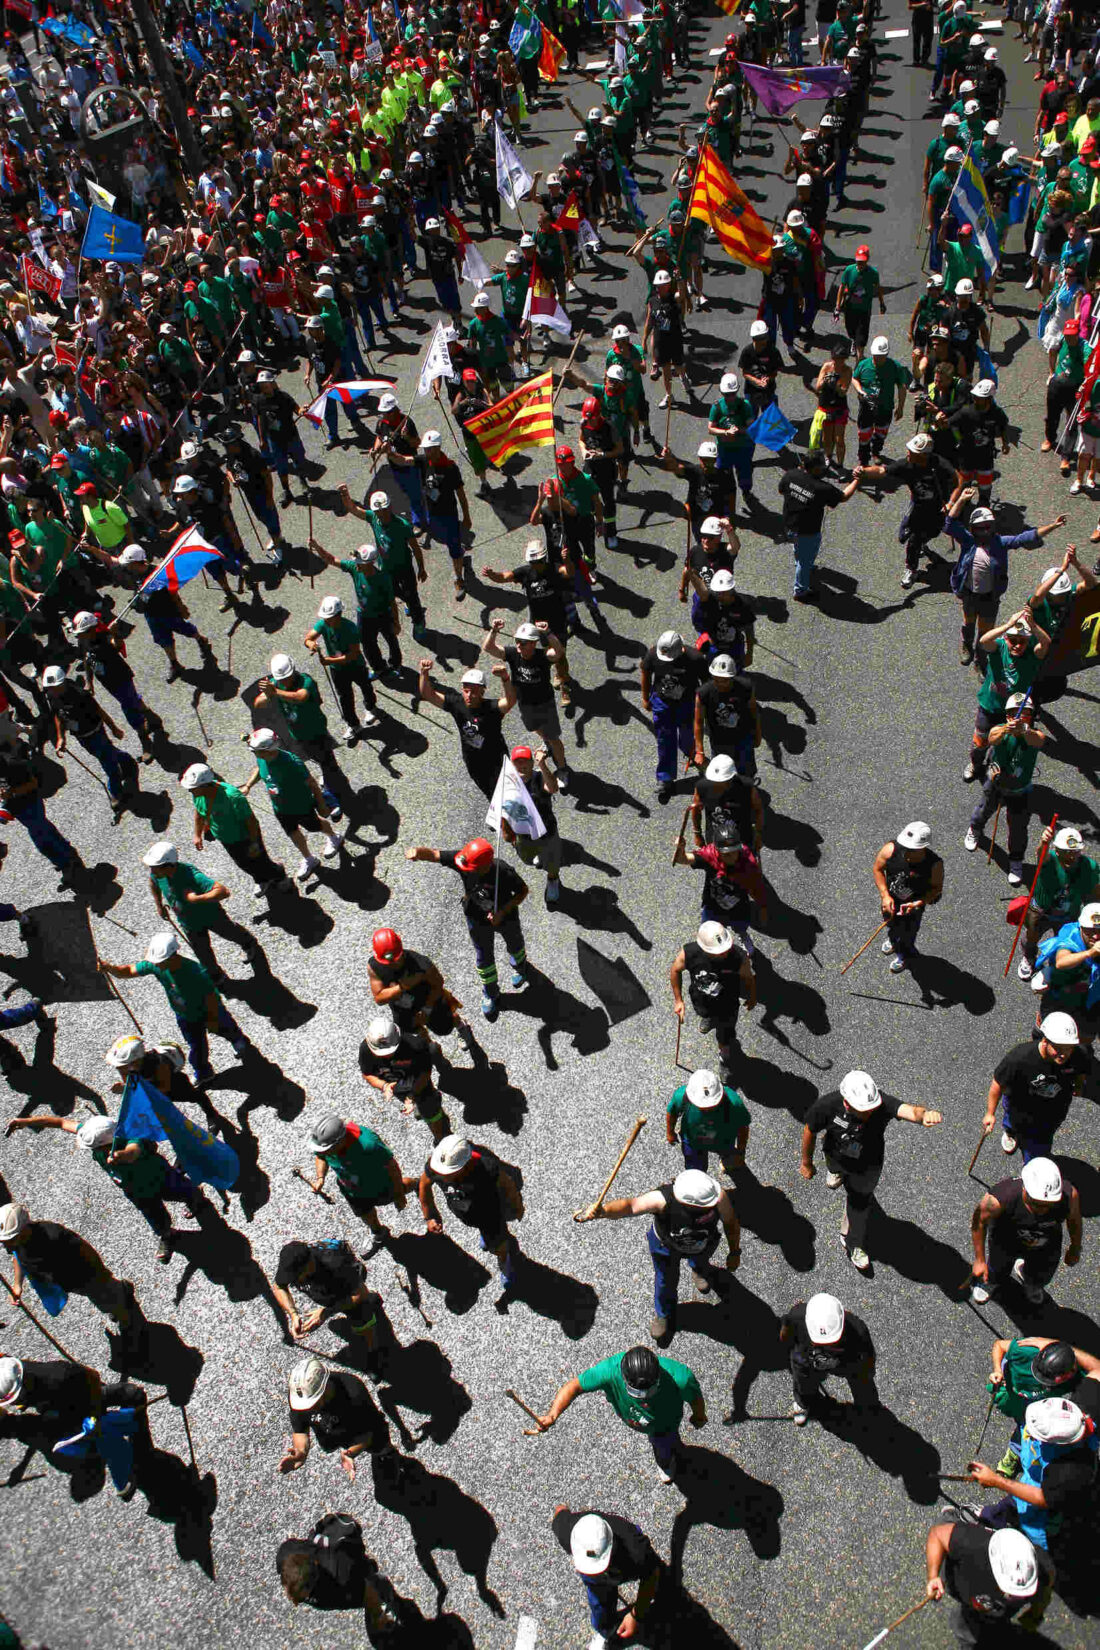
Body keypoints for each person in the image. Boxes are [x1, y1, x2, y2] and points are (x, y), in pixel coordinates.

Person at [4, 1113, 206, 1264]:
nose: (92, 1151)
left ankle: (196, 1198)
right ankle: (167, 1234)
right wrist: (25, 1122)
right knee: (155, 1217)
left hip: (161, 1178)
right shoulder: (95, 1136)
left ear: (106, 1143)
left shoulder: (132, 1138)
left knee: (183, 1192)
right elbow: (59, 1122)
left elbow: (134, 1151)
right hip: (137, 1192)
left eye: (95, 1148)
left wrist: (121, 1156)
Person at [800, 1069, 942, 1271]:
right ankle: (836, 1172)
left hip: (867, 1167)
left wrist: (924, 1115)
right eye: (862, 1109)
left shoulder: (880, 1104)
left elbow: (909, 1110)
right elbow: (810, 1129)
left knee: (859, 1204)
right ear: (847, 1103)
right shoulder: (827, 1105)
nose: (869, 1112)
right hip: (835, 1156)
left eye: (871, 1108)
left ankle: (852, 1241)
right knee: (834, 1168)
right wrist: (806, 1162)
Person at [576, 1169, 741, 1343]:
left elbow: (731, 1223)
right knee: (665, 1281)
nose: (712, 1204)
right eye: (707, 1204)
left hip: (702, 1244)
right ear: (688, 1203)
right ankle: (665, 1314)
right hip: (666, 1247)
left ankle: (698, 1269)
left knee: (701, 1260)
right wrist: (604, 1210)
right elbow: (631, 1206)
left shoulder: (717, 1197)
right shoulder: (663, 1199)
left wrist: (734, 1251)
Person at [533, 1345, 707, 1486]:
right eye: (637, 1392)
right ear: (623, 1377)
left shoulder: (681, 1378)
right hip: (639, 1421)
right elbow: (574, 1386)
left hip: (665, 1426)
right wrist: (552, 1415)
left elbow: (695, 1398)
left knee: (663, 1445)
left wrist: (699, 1415)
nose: (644, 1398)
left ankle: (665, 1461)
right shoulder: (609, 1370)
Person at [97, 932, 254, 1087]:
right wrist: (111, 969)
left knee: (226, 1028)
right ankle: (203, 1072)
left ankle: (238, 1041)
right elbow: (129, 970)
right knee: (196, 1047)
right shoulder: (156, 965)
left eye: (160, 962)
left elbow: (211, 1000)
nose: (156, 964)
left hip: (209, 1012)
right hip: (185, 1016)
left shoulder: (196, 972)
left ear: (173, 956)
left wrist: (212, 1020)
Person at [404, 836, 529, 1019]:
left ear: (486, 866)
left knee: (515, 944)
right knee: (484, 958)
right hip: (476, 917)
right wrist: (418, 853)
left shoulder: (502, 871)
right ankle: (491, 992)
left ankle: (520, 966)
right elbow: (435, 854)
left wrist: (502, 912)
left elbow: (523, 891)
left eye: (472, 869)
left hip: (505, 917)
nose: (465, 870)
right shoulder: (463, 859)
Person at [967, 1396, 1099, 1557]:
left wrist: (996, 1481)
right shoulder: (1076, 1417)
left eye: (1038, 1436)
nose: (1031, 1433)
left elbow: (1043, 1498)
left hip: (1042, 1518)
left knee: (1034, 1546)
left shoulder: (1071, 1472)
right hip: (1026, 1488)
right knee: (1009, 1506)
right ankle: (990, 1518)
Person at [417, 1133, 524, 1305]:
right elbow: (424, 1184)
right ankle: (488, 1239)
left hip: (490, 1215)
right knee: (487, 1238)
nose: (441, 1177)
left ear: (465, 1166)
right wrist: (430, 1215)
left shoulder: (487, 1168)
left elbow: (508, 1185)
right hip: (467, 1214)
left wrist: (517, 1206)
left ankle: (505, 1261)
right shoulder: (437, 1165)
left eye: (448, 1173)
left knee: (499, 1244)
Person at [0, 1202, 136, 1330]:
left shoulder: (54, 1235)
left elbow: (85, 1251)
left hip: (86, 1276)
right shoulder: (17, 1243)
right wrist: (17, 1285)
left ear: (25, 1229)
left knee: (104, 1297)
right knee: (100, 1297)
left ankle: (127, 1318)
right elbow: (17, 1258)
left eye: (10, 1240)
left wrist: (101, 1274)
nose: (6, 1245)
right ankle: (118, 1295)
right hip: (69, 1282)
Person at [142, 841, 261, 986]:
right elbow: (153, 883)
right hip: (188, 923)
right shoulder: (158, 875)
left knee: (229, 932)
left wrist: (197, 898)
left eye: (155, 868)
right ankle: (216, 976)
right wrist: (159, 905)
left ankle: (248, 943)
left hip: (211, 916)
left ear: (169, 865)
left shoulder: (190, 874)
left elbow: (223, 891)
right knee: (202, 952)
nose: (152, 871)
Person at [969, 1157, 1083, 1307]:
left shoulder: (1070, 1196)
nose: (1041, 1209)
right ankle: (991, 1280)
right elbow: (979, 1221)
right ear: (1024, 1188)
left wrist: (1075, 1247)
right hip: (1005, 1241)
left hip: (1045, 1243)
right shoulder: (1001, 1198)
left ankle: (1032, 1281)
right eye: (1035, 1203)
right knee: (997, 1266)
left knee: (1043, 1272)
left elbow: (1074, 1221)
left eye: (1048, 1205)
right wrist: (979, 1260)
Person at [979, 1013, 1090, 1163]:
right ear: (1045, 1041)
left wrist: (1078, 1085)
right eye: (1058, 1048)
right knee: (1011, 1123)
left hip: (1051, 1114)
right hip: (1018, 1107)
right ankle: (1011, 1133)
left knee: (1038, 1154)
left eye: (1068, 1049)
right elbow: (998, 1084)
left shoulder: (1078, 1056)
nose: (1064, 1055)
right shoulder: (1019, 1058)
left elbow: (1081, 1072)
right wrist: (990, 1113)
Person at [239, 727, 344, 883]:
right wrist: (248, 785)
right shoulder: (262, 756)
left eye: (255, 751)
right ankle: (309, 859)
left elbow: (312, 784)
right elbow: (258, 768)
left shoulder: (291, 763)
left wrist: (321, 805)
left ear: (268, 750)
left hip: (301, 806)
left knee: (316, 826)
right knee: (293, 833)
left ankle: (334, 838)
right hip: (280, 808)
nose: (254, 754)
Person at [278, 1356, 403, 1485]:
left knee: (380, 1445)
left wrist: (350, 1453)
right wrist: (300, 1452)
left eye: (313, 1403)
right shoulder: (300, 1397)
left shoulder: (354, 1391)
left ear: (325, 1388)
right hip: (334, 1432)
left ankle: (389, 1454)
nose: (308, 1409)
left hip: (363, 1430)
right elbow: (300, 1429)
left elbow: (369, 1433)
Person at [551, 1506, 664, 1649]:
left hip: (627, 1563)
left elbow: (651, 1574)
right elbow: (560, 1512)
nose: (598, 1571)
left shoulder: (636, 1550)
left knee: (656, 1575)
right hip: (601, 1577)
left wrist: (636, 1615)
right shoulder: (565, 1530)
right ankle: (607, 1630)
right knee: (601, 1611)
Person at [963, 693, 1048, 883]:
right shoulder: (1000, 730)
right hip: (996, 784)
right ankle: (975, 829)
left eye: (1025, 713)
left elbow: (1039, 740)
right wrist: (1006, 730)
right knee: (983, 810)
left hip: (1020, 791)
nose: (1019, 717)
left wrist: (1024, 729)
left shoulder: (1034, 734)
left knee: (1018, 828)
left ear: (1031, 716)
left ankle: (1016, 859)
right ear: (1008, 716)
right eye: (1014, 714)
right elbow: (992, 737)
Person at [924, 1519, 1052, 1641]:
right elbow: (937, 1534)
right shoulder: (972, 1542)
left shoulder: (1043, 1571)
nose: (1015, 1597)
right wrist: (933, 1576)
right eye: (1011, 1591)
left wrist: (1036, 1612)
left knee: (971, 1632)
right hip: (959, 1580)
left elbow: (1044, 1592)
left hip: (984, 1610)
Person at [482, 617, 572, 788]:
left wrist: (548, 633)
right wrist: (494, 630)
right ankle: (546, 741)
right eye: (517, 641)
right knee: (534, 729)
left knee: (553, 738)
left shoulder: (542, 656)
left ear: (533, 643)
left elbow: (559, 652)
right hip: (525, 705)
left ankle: (562, 769)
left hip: (545, 705)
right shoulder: (513, 654)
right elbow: (488, 647)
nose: (519, 645)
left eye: (523, 643)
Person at [181, 762, 288, 903]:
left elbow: (251, 822)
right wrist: (197, 834)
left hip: (245, 838)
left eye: (192, 788)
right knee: (243, 863)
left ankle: (280, 875)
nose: (190, 791)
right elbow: (199, 813)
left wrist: (255, 843)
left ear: (204, 785)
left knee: (261, 861)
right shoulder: (198, 795)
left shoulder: (233, 797)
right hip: (227, 839)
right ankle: (261, 879)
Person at [276, 1512, 398, 1634]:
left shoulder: (342, 1573)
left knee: (372, 1598)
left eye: (305, 1592)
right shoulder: (286, 1552)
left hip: (349, 1578)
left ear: (315, 1575)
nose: (295, 1603)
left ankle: (384, 1597)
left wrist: (375, 1607)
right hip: (335, 1572)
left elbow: (365, 1590)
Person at [965, 609, 1050, 783]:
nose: (1018, 645)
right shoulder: (999, 647)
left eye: (1022, 641)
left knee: (1011, 744)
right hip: (990, 707)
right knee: (979, 743)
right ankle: (975, 765)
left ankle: (1001, 767)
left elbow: (1046, 643)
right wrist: (1009, 625)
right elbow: (983, 641)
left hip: (1016, 712)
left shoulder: (1031, 657)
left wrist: (1032, 625)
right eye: (1013, 640)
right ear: (1006, 638)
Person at [306, 1112, 416, 1241]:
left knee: (398, 1190)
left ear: (340, 1140)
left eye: (326, 1149)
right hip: (351, 1189)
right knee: (364, 1213)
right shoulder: (326, 1146)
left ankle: (418, 1184)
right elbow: (320, 1157)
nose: (323, 1152)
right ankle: (379, 1232)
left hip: (379, 1185)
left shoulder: (369, 1145)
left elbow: (392, 1168)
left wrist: (399, 1195)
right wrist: (320, 1178)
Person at [417, 660, 515, 799]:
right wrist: (424, 673)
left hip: (496, 760)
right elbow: (428, 695)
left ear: (482, 690)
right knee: (491, 794)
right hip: (473, 761)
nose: (468, 696)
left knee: (506, 793)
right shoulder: (457, 703)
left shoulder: (492, 708)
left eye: (474, 692)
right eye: (466, 691)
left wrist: (505, 679)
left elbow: (510, 701)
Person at [670, 920, 757, 1074]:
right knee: (705, 1013)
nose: (724, 953)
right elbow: (675, 970)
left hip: (728, 1006)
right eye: (718, 951)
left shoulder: (738, 956)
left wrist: (752, 996)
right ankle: (709, 1019)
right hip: (700, 1000)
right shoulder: (689, 953)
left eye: (725, 948)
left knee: (725, 1036)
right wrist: (678, 1000)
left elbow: (749, 978)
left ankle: (725, 1058)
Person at [779, 1292, 879, 1425]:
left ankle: (868, 1408)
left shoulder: (859, 1332)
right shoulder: (797, 1315)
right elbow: (786, 1331)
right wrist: (786, 1349)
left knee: (862, 1383)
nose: (826, 1347)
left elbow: (867, 1361)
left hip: (847, 1361)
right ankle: (805, 1403)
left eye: (832, 1342)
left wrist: (867, 1373)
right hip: (806, 1359)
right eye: (821, 1343)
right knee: (803, 1384)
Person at [272, 1239, 381, 1358]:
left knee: (362, 1319)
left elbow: (360, 1293)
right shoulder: (290, 1267)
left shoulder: (334, 1263)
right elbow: (279, 1287)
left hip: (347, 1287)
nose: (294, 1280)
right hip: (328, 1291)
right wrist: (293, 1314)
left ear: (309, 1263)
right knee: (334, 1324)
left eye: (297, 1276)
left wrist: (325, 1313)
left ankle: (374, 1355)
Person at [777, 447, 861, 601]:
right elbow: (843, 496)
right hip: (807, 532)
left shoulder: (790, 475)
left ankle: (800, 562)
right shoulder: (823, 488)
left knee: (798, 550)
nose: (825, 468)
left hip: (789, 525)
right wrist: (857, 480)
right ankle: (800, 591)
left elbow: (781, 491)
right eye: (823, 465)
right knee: (805, 561)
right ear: (816, 468)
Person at [1018, 825, 1100, 982]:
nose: (1071, 856)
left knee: (1065, 941)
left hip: (1069, 914)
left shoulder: (1089, 867)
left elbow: (1095, 889)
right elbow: (1041, 854)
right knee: (1031, 936)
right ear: (1056, 851)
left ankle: (1056, 964)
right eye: (1066, 852)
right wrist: (1044, 842)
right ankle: (1029, 957)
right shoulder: (1049, 860)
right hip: (1041, 910)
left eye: (1074, 852)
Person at [358, 1014, 451, 1144]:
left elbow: (424, 1074)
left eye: (391, 1050)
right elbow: (367, 1073)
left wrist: (413, 1095)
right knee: (422, 1108)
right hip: (397, 1088)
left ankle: (441, 1137)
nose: (388, 1055)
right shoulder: (365, 1051)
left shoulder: (415, 1045)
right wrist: (384, 1086)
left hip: (420, 1085)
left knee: (430, 1110)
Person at [303, 595, 380, 743]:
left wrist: (329, 660)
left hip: (355, 665)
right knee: (345, 697)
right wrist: (310, 644)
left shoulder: (350, 628)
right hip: (337, 670)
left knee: (366, 687)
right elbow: (308, 638)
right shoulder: (323, 624)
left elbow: (353, 654)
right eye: (325, 617)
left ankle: (371, 708)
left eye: (329, 617)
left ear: (339, 615)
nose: (326, 620)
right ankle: (353, 724)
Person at [872, 821, 944, 974]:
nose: (907, 851)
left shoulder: (934, 865)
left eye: (912, 849)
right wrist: (885, 895)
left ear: (924, 847)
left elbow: (936, 889)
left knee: (908, 934)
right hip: (891, 900)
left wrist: (917, 903)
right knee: (890, 924)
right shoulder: (890, 849)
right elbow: (878, 869)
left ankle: (905, 955)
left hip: (912, 908)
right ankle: (893, 939)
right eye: (906, 846)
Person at [666, 1067, 751, 1177]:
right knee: (696, 1172)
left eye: (711, 1105)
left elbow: (742, 1128)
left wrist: (740, 1152)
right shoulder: (681, 1096)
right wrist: (670, 1132)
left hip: (724, 1140)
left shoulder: (734, 1103)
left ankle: (728, 1163)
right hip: (693, 1141)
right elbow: (672, 1112)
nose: (706, 1109)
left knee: (730, 1159)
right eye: (701, 1106)